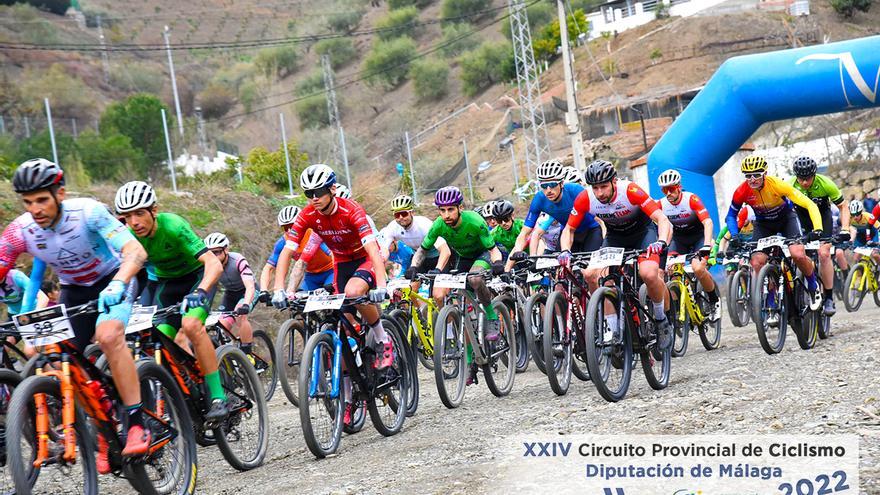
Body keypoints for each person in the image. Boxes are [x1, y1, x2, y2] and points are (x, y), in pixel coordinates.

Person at [0, 159, 151, 470]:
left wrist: (119, 283)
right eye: (28, 202)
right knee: (56, 358)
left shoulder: (89, 212)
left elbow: (135, 252)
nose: (35, 209)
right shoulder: (21, 230)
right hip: (75, 291)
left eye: (42, 200)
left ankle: (136, 421)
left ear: (61, 193)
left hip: (114, 279)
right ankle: (102, 418)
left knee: (108, 336)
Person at [115, 180, 230, 424]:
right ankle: (181, 389)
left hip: (195, 280)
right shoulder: (127, 237)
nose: (134, 222)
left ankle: (219, 397)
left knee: (191, 326)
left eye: (139, 214)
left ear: (153, 211)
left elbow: (213, 263)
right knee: (158, 338)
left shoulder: (174, 226)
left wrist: (200, 291)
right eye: (126, 216)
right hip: (165, 286)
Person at [272, 164, 393, 370]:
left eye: (318, 192)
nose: (314, 198)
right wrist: (279, 290)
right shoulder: (308, 215)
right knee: (342, 328)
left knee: (353, 292)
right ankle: (347, 395)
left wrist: (382, 286)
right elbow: (288, 252)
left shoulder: (351, 210)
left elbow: (373, 249)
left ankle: (383, 338)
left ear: (332, 189)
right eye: (308, 193)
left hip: (365, 258)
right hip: (342, 263)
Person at [563, 159, 675, 349]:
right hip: (615, 238)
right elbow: (569, 229)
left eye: (604, 187)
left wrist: (661, 242)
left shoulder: (630, 191)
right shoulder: (585, 198)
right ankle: (611, 326)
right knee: (592, 274)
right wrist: (565, 250)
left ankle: (660, 318)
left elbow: (662, 219)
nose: (599, 193)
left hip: (643, 236)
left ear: (614, 182)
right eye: (595, 188)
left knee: (648, 273)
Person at [408, 186, 504, 384]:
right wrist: (413, 267)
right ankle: (471, 361)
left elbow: (493, 250)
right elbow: (422, 251)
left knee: (475, 279)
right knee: (462, 309)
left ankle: (492, 316)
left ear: (460, 208)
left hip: (481, 255)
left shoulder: (475, 222)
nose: (446, 215)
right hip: (462, 258)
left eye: (450, 210)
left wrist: (497, 264)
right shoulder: (438, 225)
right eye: (442, 210)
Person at [725, 155, 822, 328]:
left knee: (798, 254)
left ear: (765, 173)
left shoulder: (778, 185)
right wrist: (734, 236)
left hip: (787, 220)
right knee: (757, 262)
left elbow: (809, 204)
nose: (752, 179)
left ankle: (813, 286)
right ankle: (771, 301)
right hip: (763, 225)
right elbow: (731, 216)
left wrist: (817, 228)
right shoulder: (742, 191)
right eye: (748, 176)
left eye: (756, 174)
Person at [506, 159, 603, 269]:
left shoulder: (575, 190)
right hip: (567, 233)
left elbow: (600, 218)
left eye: (552, 184)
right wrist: (519, 251)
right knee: (559, 274)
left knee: (589, 271)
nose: (548, 190)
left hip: (591, 231)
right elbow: (525, 233)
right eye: (544, 185)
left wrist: (605, 240)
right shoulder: (539, 199)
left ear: (562, 183)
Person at [789, 156, 851, 315]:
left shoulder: (826, 184)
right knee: (795, 253)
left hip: (823, 219)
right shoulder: (790, 184)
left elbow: (843, 206)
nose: (804, 182)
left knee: (824, 254)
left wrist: (845, 229)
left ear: (814, 174)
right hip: (801, 219)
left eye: (807, 178)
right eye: (800, 178)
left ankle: (829, 297)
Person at [657, 169, 720, 319]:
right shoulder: (661, 204)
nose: (668, 193)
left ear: (679, 187)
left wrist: (706, 244)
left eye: (671, 189)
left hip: (698, 238)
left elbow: (708, 222)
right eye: (664, 189)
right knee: (672, 272)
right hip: (679, 240)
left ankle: (714, 301)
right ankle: (678, 309)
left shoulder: (691, 199)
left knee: (698, 269)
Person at [381, 194, 451, 301]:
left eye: (404, 213)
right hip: (419, 259)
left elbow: (445, 250)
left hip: (438, 258)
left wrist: (438, 269)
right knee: (408, 292)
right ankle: (420, 315)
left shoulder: (424, 225)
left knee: (438, 295)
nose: (400, 218)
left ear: (412, 212)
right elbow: (385, 250)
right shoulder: (392, 227)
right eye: (397, 215)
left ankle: (446, 316)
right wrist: (381, 262)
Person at [203, 232, 258, 358]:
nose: (214, 257)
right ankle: (228, 356)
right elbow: (208, 288)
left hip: (247, 291)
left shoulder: (238, 260)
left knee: (241, 316)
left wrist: (245, 304)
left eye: (217, 252)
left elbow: (250, 286)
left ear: (226, 250)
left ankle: (247, 354)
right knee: (221, 325)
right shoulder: (210, 265)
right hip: (230, 294)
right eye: (211, 253)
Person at [262, 205, 335, 296]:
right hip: (311, 277)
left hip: (331, 271)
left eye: (292, 226)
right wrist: (263, 290)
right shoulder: (283, 242)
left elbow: (333, 254)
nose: (289, 231)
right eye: (285, 227)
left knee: (330, 291)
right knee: (298, 303)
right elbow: (269, 268)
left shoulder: (313, 234)